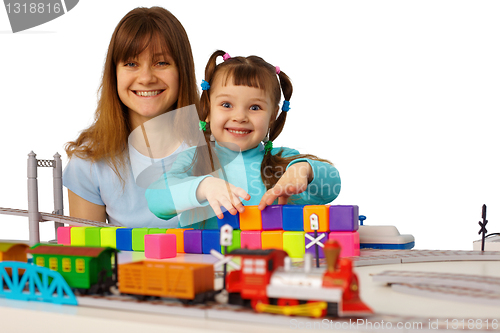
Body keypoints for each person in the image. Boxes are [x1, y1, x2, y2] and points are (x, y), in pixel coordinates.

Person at [145, 50, 341, 229]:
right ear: (207, 109)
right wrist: (202, 187)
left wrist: (304, 171)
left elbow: (332, 185)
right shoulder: (194, 160)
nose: (240, 117)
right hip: (204, 262)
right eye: (226, 104)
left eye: (255, 107)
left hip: (269, 263)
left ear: (272, 115)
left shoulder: (283, 161)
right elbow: (155, 199)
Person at [63, 7, 199, 228]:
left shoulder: (219, 148)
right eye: (131, 64)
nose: (146, 78)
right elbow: (87, 255)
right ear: (114, 73)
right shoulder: (89, 162)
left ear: (182, 70)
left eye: (161, 63)